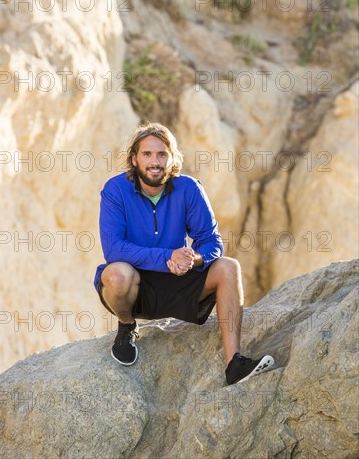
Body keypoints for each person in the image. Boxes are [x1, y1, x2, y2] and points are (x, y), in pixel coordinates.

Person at [93, 123, 274, 385]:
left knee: (228, 267)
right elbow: (114, 249)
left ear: (172, 158)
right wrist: (168, 258)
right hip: (137, 288)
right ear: (134, 159)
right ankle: (126, 325)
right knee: (117, 274)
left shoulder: (189, 188)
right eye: (147, 154)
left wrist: (193, 258)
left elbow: (211, 241)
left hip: (179, 282)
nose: (155, 162)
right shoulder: (115, 190)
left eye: (162, 154)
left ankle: (234, 363)